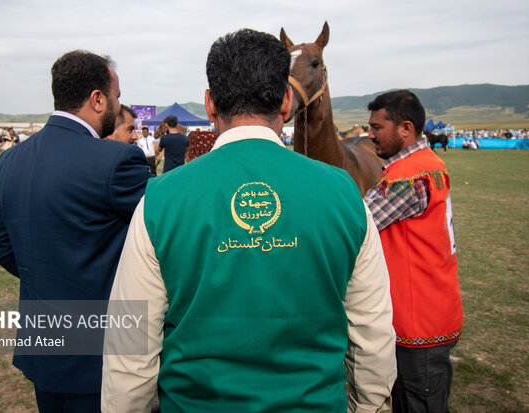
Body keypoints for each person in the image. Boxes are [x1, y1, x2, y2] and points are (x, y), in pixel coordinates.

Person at [102, 28, 396, 413]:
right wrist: (368, 407)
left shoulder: (159, 201)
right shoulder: (346, 196)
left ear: (209, 105)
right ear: (287, 101)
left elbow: (129, 352)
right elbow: (372, 334)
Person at [0, 50, 152, 412]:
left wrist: (49, 278)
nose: (117, 104)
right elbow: (161, 237)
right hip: (101, 352)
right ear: (97, 99)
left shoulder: (9, 161)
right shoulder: (117, 161)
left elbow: (2, 246)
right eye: (117, 96)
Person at [363, 90, 463, 413]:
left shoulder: (408, 176)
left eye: (377, 128)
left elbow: (356, 224)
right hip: (432, 310)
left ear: (405, 129)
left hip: (418, 322)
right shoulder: (428, 163)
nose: (369, 135)